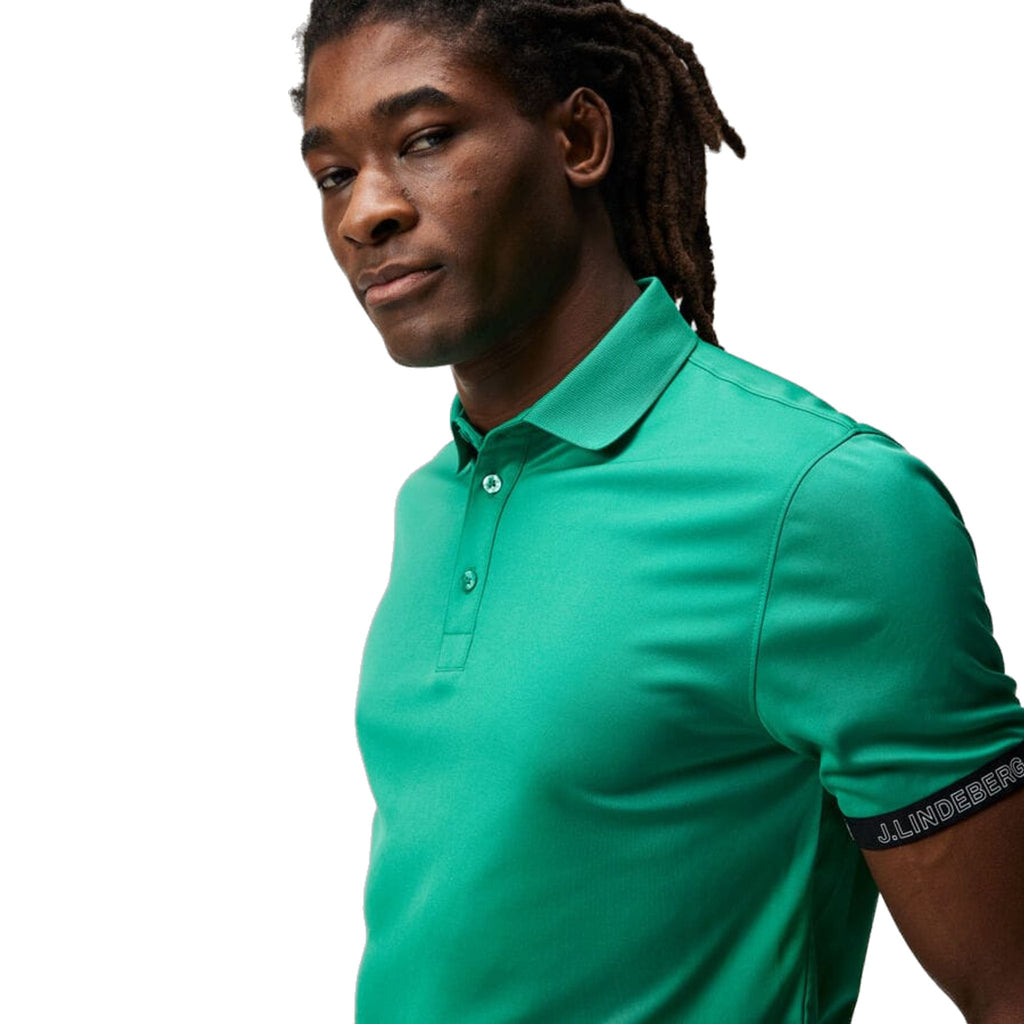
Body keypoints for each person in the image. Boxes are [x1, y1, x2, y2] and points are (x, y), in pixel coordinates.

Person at [292, 1, 1024, 1020]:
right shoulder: (433, 498)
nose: (364, 211)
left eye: (424, 139)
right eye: (333, 173)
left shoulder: (818, 503)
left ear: (578, 139)